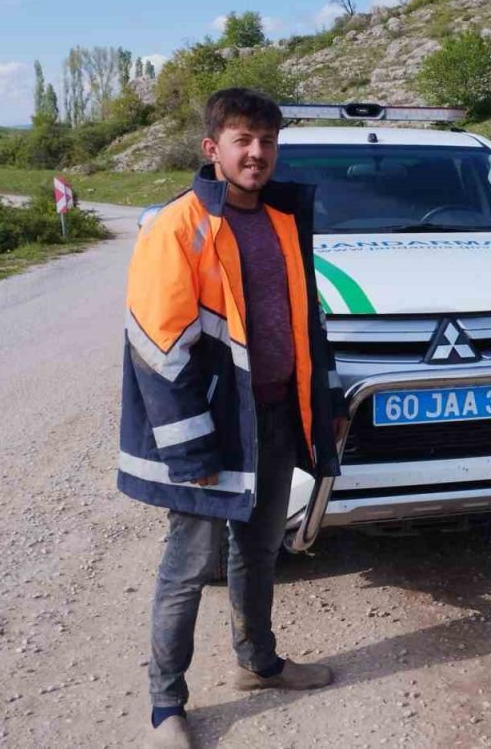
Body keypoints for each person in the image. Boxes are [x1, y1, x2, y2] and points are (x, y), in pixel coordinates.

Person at [118, 87, 348, 749]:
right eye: (243, 140)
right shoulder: (178, 225)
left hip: (273, 414)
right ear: (211, 147)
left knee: (259, 549)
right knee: (188, 567)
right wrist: (191, 450)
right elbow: (157, 349)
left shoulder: (281, 219)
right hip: (211, 428)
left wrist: (322, 406)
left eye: (267, 140)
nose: (257, 153)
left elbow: (307, 324)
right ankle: (167, 707)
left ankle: (260, 663)